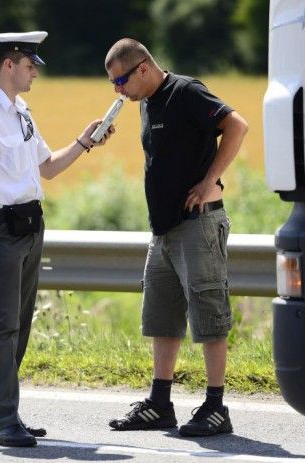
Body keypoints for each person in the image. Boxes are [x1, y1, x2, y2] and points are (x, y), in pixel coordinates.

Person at [0, 31, 113, 447]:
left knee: (17, 327)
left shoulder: (21, 112)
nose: (34, 74)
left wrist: (84, 141)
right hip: (0, 229)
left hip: (29, 226)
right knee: (2, 328)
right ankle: (6, 421)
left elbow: (48, 168)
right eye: (29, 66)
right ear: (9, 64)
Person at [104, 38, 248, 437]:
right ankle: (159, 404)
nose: (118, 90)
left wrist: (207, 181)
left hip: (198, 223)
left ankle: (216, 407)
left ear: (143, 69)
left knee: (208, 314)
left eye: (120, 80)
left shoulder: (185, 91)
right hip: (164, 229)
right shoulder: (147, 102)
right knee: (162, 317)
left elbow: (236, 125)